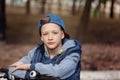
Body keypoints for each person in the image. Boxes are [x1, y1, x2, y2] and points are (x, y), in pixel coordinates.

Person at [8, 14, 82, 80]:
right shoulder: (36, 52)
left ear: (62, 34)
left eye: (55, 33)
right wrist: (31, 76)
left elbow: (59, 72)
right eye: (45, 34)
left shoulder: (72, 52)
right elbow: (12, 70)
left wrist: (31, 67)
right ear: (41, 37)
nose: (50, 37)